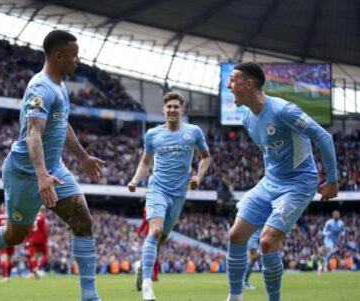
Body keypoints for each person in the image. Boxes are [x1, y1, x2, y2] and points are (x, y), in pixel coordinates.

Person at [0, 30, 105, 301]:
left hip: (54, 168)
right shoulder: (41, 87)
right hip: (25, 172)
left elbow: (61, 125)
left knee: (82, 219)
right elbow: (33, 133)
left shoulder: (60, 87)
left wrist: (82, 157)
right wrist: (41, 175)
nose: (77, 61)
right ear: (58, 56)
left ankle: (89, 296)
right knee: (14, 235)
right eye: (74, 56)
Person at [224, 62, 338, 301]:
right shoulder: (247, 119)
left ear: (248, 84)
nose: (228, 85)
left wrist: (332, 180)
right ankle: (235, 297)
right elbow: (271, 153)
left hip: (299, 182)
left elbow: (323, 136)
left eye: (232, 80)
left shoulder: (283, 110)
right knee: (235, 236)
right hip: (270, 182)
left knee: (266, 242)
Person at [128, 91, 211, 301]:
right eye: (169, 107)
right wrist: (136, 179)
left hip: (179, 193)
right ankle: (147, 285)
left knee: (160, 239)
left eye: (176, 107)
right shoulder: (153, 134)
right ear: (164, 109)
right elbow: (146, 161)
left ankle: (141, 265)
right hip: (157, 189)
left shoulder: (193, 132)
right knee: (154, 232)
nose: (173, 110)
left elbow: (206, 157)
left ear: (182, 110)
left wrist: (198, 177)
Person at [134, 203, 161, 293]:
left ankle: (143, 267)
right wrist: (138, 232)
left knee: (155, 256)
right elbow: (145, 221)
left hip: (153, 229)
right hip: (151, 230)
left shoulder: (152, 203)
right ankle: (151, 277)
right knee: (155, 257)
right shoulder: (149, 205)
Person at [0, 203, 15, 283]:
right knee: (10, 260)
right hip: (12, 239)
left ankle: (5, 277)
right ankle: (8, 276)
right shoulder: (12, 215)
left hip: (2, 239)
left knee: (3, 259)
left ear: (3, 208)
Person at [24, 206, 49, 279]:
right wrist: (46, 241)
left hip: (32, 239)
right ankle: (36, 269)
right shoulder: (43, 217)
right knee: (46, 255)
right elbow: (45, 230)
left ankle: (33, 272)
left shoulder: (32, 217)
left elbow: (28, 229)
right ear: (44, 211)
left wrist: (27, 239)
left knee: (33, 256)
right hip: (41, 239)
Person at [318, 210, 345, 274]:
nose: (336, 218)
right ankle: (322, 267)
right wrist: (328, 233)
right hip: (328, 240)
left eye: (337, 217)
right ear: (333, 216)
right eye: (335, 217)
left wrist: (341, 233)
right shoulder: (329, 223)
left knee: (330, 254)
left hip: (335, 241)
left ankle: (322, 266)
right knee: (331, 251)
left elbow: (343, 232)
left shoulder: (341, 223)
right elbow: (324, 232)